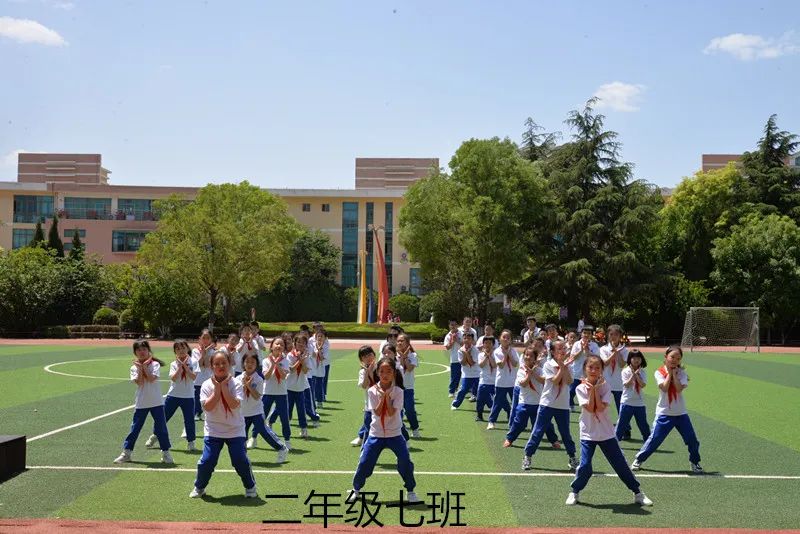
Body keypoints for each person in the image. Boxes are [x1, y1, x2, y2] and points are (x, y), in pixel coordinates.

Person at [565, 354, 653, 507]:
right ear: (585, 369)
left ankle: (638, 492)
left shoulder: (606, 387)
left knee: (620, 464)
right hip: (588, 433)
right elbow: (590, 409)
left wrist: (595, 388)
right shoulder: (580, 388)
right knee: (585, 466)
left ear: (602, 370)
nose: (593, 370)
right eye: (590, 367)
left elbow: (599, 408)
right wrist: (592, 389)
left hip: (606, 433)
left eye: (597, 367)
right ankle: (574, 492)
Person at [346, 356, 420, 504]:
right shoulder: (372, 391)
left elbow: (393, 412)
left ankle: (411, 491)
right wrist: (383, 397)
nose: (385, 374)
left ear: (394, 373)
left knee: (405, 462)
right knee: (365, 462)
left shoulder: (399, 391)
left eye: (388, 371)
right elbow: (378, 412)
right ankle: (356, 490)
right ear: (378, 373)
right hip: (376, 434)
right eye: (382, 371)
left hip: (395, 434)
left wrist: (387, 397)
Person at [190, 350, 258, 498]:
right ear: (211, 366)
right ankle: (199, 487)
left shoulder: (237, 383)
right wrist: (217, 388)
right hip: (213, 429)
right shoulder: (207, 385)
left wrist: (224, 387)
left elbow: (234, 405)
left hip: (235, 429)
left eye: (224, 363)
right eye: (217, 363)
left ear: (229, 365)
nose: (220, 366)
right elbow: (207, 407)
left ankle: (250, 486)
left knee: (239, 460)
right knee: (207, 461)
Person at [632, 345, 703, 473]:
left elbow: (678, 389)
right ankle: (639, 459)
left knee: (692, 439)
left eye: (678, 358)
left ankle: (695, 461)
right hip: (664, 413)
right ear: (666, 357)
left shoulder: (682, 373)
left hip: (681, 413)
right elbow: (664, 388)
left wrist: (675, 375)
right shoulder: (659, 372)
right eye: (672, 357)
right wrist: (670, 374)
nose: (674, 360)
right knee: (655, 439)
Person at [522, 340, 578, 471]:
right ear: (552, 352)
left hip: (563, 405)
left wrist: (565, 366)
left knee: (565, 433)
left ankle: (572, 457)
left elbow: (569, 381)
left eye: (564, 348)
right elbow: (555, 381)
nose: (563, 350)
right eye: (559, 349)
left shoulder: (569, 365)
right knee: (538, 431)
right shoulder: (548, 364)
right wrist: (563, 367)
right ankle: (528, 456)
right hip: (547, 403)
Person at [114, 340, 173, 464]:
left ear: (148, 351)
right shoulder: (133, 367)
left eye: (144, 349)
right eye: (139, 350)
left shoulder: (155, 364)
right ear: (135, 352)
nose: (141, 352)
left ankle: (166, 453)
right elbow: (140, 382)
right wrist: (140, 368)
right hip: (141, 403)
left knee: (161, 429)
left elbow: (151, 379)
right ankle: (127, 453)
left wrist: (144, 366)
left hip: (157, 402)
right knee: (135, 429)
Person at [144, 339, 198, 452]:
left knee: (189, 420)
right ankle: (155, 436)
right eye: (178, 349)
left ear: (187, 348)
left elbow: (193, 377)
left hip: (188, 396)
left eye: (183, 348)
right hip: (173, 395)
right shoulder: (174, 364)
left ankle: (191, 441)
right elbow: (173, 378)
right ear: (175, 352)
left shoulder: (194, 362)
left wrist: (186, 367)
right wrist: (180, 367)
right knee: (163, 418)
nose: (181, 350)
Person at [503, 346, 559, 448]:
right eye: (526, 355)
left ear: (535, 358)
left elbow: (544, 381)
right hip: (524, 402)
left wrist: (533, 371)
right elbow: (523, 384)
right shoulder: (521, 370)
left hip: (538, 403)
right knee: (519, 423)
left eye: (531, 356)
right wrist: (529, 374)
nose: (528, 357)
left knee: (545, 424)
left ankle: (554, 441)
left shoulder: (540, 370)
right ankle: (509, 439)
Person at [237, 352, 288, 463]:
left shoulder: (259, 379)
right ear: (243, 364)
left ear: (257, 365)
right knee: (241, 436)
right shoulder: (237, 379)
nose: (249, 364)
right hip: (242, 413)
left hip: (256, 412)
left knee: (264, 432)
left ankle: (281, 448)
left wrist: (249, 386)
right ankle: (243, 457)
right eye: (247, 362)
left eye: (253, 362)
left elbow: (256, 396)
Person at [260, 337, 291, 449]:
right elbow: (266, 376)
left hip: (281, 393)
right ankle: (253, 437)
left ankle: (287, 440)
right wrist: (273, 364)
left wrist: (277, 364)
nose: (279, 346)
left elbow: (283, 376)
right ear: (272, 346)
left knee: (284, 418)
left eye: (282, 345)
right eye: (277, 344)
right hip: (268, 392)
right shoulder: (266, 361)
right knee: (261, 417)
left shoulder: (286, 361)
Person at [616, 349, 651, 442]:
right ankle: (615, 442)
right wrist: (633, 375)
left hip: (639, 403)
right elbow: (626, 384)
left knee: (643, 424)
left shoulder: (642, 372)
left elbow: (642, 385)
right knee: (622, 424)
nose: (636, 360)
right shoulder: (625, 371)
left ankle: (648, 442)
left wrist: (637, 375)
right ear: (630, 359)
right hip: (627, 402)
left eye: (638, 358)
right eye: (634, 358)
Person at [487, 330, 518, 430]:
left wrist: (509, 354)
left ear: (510, 340)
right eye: (504, 337)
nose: (506, 339)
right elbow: (501, 365)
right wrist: (506, 354)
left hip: (513, 382)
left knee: (515, 403)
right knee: (497, 403)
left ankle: (513, 422)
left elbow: (515, 364)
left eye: (508, 338)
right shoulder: (497, 351)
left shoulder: (513, 351)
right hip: (501, 382)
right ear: (500, 339)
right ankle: (491, 421)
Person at [568, 326, 600, 412]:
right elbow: (572, 357)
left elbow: (596, 359)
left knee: (589, 393)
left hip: (589, 374)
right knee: (571, 391)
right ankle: (571, 405)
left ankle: (590, 408)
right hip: (576, 373)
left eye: (589, 333)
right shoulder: (576, 344)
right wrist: (581, 350)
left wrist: (587, 351)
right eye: (584, 333)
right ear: (581, 334)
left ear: (591, 335)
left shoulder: (594, 345)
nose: (586, 335)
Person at [351, 345, 377, 447]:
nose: (368, 358)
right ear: (361, 359)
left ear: (374, 355)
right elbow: (364, 385)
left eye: (370, 355)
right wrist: (367, 372)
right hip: (369, 405)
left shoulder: (381, 367)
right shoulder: (362, 372)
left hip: (382, 403)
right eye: (365, 356)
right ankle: (364, 446)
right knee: (368, 425)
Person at [599, 325, 627, 419]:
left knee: (620, 407)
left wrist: (618, 353)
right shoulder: (603, 349)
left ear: (620, 336)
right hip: (605, 382)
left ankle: (625, 428)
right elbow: (605, 363)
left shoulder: (624, 350)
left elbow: (622, 364)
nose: (613, 337)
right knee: (602, 405)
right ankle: (601, 424)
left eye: (616, 334)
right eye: (611, 334)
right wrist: (614, 353)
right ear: (607, 335)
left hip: (618, 383)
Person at [396, 333, 421, 438]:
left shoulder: (413, 355)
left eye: (402, 341)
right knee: (397, 411)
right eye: (398, 341)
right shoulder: (393, 354)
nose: (400, 343)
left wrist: (404, 357)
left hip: (408, 387)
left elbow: (409, 368)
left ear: (408, 343)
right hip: (396, 387)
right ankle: (400, 432)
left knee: (410, 409)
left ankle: (415, 429)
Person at [451, 331, 480, 411]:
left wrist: (466, 353)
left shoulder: (475, 350)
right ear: (463, 339)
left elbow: (471, 363)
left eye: (469, 338)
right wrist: (465, 354)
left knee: (480, 392)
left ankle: (490, 405)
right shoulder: (460, 350)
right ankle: (455, 404)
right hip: (466, 375)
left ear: (472, 340)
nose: (467, 340)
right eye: (465, 338)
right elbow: (463, 363)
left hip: (477, 374)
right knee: (463, 390)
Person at [192, 329, 216, 421]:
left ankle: (206, 413)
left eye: (208, 338)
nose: (205, 340)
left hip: (208, 379)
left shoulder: (213, 352)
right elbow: (198, 364)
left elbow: (206, 364)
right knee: (197, 398)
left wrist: (206, 351)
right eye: (203, 338)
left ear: (211, 340)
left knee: (208, 398)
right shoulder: (195, 351)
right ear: (199, 339)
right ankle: (196, 414)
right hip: (197, 379)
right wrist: (204, 352)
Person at [475, 335, 497, 421]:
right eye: (486, 343)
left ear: (493, 344)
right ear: (483, 344)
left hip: (494, 382)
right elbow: (481, 365)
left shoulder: (496, 354)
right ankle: (479, 415)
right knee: (480, 399)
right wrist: (486, 356)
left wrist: (489, 355)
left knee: (494, 401)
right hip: (483, 381)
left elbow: (494, 365)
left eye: (490, 343)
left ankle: (493, 416)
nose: (487, 345)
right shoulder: (480, 355)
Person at [444, 320, 462, 398]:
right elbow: (447, 347)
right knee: (454, 376)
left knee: (464, 375)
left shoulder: (462, 333)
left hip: (464, 358)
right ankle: (451, 391)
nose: (453, 326)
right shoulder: (448, 336)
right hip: (454, 358)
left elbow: (465, 344)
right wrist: (452, 341)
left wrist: (457, 339)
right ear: (449, 326)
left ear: (457, 325)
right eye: (451, 325)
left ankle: (461, 389)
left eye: (454, 325)